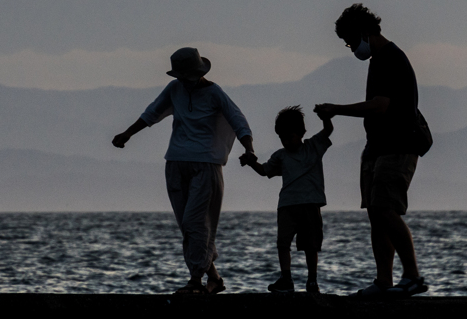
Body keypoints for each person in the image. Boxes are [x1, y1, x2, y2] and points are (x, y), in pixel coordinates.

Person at [112, 47, 254, 295]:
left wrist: (249, 149)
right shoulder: (174, 89)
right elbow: (151, 113)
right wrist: (127, 133)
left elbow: (238, 121)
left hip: (205, 164)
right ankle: (214, 279)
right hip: (176, 163)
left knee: (194, 222)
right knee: (187, 226)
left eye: (188, 76)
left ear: (199, 73)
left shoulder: (214, 93)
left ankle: (195, 281)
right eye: (181, 76)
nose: (184, 81)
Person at [314, 4, 428, 297]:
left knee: (385, 209)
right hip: (376, 148)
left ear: (365, 32)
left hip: (397, 146)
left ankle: (412, 277)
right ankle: (383, 281)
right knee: (377, 215)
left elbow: (380, 106)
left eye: (351, 41)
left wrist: (336, 109)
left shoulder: (391, 58)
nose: (352, 48)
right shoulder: (377, 61)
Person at [240, 105, 334, 294]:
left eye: (290, 137)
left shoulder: (313, 147)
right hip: (287, 206)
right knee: (283, 243)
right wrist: (251, 162)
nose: (286, 142)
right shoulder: (280, 156)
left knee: (311, 246)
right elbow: (264, 171)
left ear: (301, 133)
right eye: (282, 139)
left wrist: (325, 117)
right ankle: (286, 279)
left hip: (310, 205)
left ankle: (312, 281)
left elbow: (328, 130)